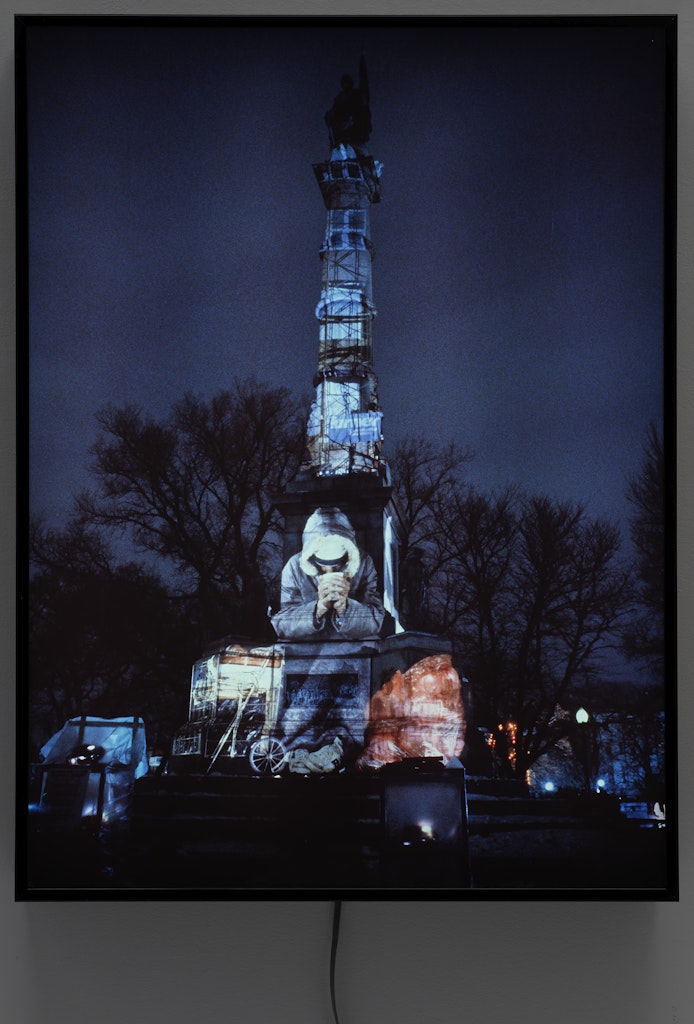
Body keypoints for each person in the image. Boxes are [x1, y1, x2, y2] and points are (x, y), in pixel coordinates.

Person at [271, 507, 384, 641]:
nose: (330, 572)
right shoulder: (295, 566)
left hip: (353, 647)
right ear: (312, 559)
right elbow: (282, 624)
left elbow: (376, 621)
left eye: (336, 566)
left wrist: (345, 609)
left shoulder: (363, 563)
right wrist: (318, 610)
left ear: (347, 558)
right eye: (322, 566)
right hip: (306, 650)